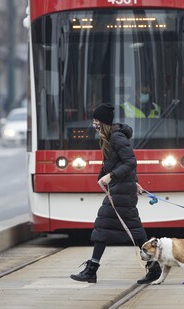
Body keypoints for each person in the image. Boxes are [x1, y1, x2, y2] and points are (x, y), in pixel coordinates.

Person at [70, 103, 161, 284]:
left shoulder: (117, 138)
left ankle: (92, 269)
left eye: (96, 121)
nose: (94, 124)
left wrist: (111, 176)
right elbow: (122, 163)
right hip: (122, 188)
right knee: (125, 230)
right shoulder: (109, 137)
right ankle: (153, 268)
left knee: (105, 224)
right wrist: (133, 182)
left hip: (121, 190)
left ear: (103, 122)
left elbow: (130, 162)